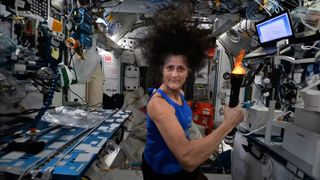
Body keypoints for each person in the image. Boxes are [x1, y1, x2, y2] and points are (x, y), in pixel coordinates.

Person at [139, 11, 244, 180]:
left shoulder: (178, 94)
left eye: (180, 69)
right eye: (170, 68)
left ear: (188, 72)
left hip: (181, 166)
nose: (174, 75)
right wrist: (228, 124)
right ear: (161, 69)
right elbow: (188, 160)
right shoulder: (159, 105)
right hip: (164, 173)